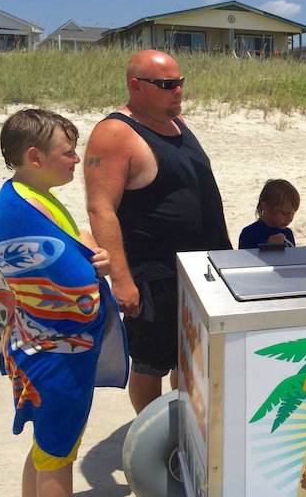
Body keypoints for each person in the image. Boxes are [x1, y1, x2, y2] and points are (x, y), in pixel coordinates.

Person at [0, 109, 127, 497]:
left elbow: (71, 236)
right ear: (35, 157)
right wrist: (96, 268)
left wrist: (93, 250)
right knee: (58, 452)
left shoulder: (29, 194)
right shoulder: (20, 211)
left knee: (47, 448)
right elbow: (77, 285)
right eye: (68, 152)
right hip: (53, 356)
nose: (77, 159)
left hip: (39, 349)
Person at [84, 49, 231, 414]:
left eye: (180, 82)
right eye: (167, 85)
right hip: (155, 272)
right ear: (137, 86)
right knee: (151, 362)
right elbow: (100, 208)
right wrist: (121, 280)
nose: (178, 90)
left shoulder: (175, 122)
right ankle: (150, 436)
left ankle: (184, 428)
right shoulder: (116, 133)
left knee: (191, 356)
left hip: (203, 269)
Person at [238, 178, 300, 248]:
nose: (290, 218)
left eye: (293, 213)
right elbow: (246, 258)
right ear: (265, 207)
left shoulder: (287, 233)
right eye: (284, 213)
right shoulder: (249, 234)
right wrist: (268, 247)